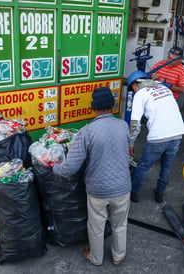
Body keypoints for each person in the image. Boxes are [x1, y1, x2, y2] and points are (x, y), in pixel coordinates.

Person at [53, 87, 131, 266]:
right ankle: (118, 256)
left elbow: (70, 168)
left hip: (98, 190)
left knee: (96, 226)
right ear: (112, 106)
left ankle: (96, 257)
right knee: (120, 224)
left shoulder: (86, 132)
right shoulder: (123, 125)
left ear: (93, 108)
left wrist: (54, 167)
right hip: (123, 187)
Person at [127, 70, 184, 203]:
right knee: (167, 165)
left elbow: (135, 123)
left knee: (143, 166)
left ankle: (134, 193)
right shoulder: (163, 87)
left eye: (133, 88)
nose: (134, 91)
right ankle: (159, 193)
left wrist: (131, 143)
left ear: (136, 84)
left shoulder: (140, 94)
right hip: (177, 133)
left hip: (159, 136)